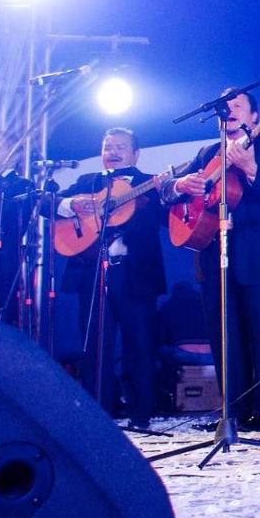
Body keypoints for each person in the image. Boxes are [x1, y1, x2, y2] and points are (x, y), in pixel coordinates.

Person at [171, 90, 260, 430]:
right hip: (215, 254)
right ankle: (233, 411)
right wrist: (182, 185)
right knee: (225, 336)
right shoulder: (206, 153)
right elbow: (172, 192)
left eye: (238, 106)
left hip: (259, 256)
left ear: (255, 117)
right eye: (225, 108)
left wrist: (248, 166)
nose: (230, 111)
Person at [57, 127, 167, 429]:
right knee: (93, 346)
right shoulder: (86, 182)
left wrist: (162, 194)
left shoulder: (150, 184)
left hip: (135, 274)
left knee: (140, 345)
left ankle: (141, 414)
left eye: (120, 146)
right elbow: (49, 206)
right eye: (108, 146)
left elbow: (164, 219)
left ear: (136, 154)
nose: (113, 152)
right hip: (92, 275)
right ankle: (97, 415)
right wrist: (72, 205)